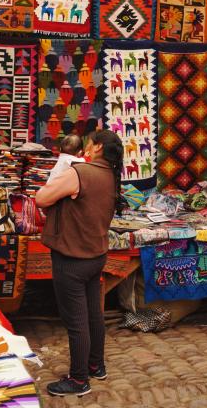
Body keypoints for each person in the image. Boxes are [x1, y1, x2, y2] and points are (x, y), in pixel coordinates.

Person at [34, 129, 124, 397]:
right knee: (94, 314)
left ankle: (78, 379)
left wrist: (59, 178)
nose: (85, 147)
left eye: (89, 143)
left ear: (96, 147)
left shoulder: (80, 173)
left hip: (72, 258)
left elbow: (42, 198)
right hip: (96, 255)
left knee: (76, 320)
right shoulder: (111, 175)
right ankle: (96, 365)